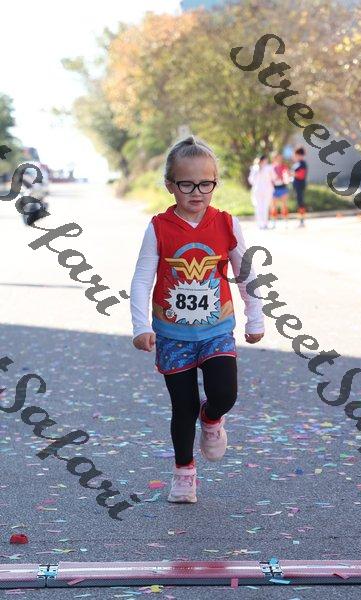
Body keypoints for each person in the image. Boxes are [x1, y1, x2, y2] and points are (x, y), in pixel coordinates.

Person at [130, 135, 265, 504]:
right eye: (186, 184)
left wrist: (255, 317)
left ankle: (212, 418)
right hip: (172, 334)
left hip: (217, 329)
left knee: (225, 394)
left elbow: (246, 274)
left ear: (215, 183)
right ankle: (184, 472)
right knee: (182, 407)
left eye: (206, 184)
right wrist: (141, 326)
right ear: (170, 185)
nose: (197, 192)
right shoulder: (159, 227)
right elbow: (142, 279)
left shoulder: (226, 223)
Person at [248, 154, 274, 229]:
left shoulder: (254, 168)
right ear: (265, 160)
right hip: (267, 190)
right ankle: (265, 223)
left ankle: (260, 224)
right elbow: (273, 177)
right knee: (265, 207)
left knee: (258, 207)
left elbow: (251, 180)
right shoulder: (269, 168)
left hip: (257, 190)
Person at [270, 153, 290, 228]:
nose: (279, 159)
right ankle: (273, 222)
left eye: (280, 158)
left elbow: (286, 177)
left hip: (282, 187)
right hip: (274, 188)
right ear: (274, 158)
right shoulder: (271, 168)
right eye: (277, 158)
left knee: (284, 205)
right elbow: (269, 178)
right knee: (273, 206)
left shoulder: (284, 167)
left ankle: (286, 221)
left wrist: (284, 177)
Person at [292, 146, 308, 227]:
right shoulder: (297, 163)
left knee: (300, 203)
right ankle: (300, 220)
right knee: (299, 203)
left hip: (300, 185)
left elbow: (301, 175)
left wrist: (292, 174)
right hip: (296, 186)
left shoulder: (302, 163)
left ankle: (302, 220)